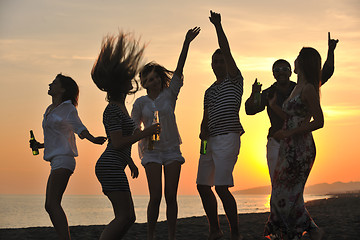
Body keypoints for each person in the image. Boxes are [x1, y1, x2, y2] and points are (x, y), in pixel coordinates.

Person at [131, 27, 200, 240]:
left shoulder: (170, 95)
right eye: (148, 79)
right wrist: (147, 132)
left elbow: (178, 70)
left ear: (160, 79)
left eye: (154, 78)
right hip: (150, 150)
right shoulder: (140, 103)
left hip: (171, 148)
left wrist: (186, 43)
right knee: (155, 196)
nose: (152, 82)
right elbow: (134, 130)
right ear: (143, 83)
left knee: (171, 196)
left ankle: (171, 236)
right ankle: (151, 235)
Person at [91, 32, 161, 240]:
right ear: (119, 84)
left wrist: (130, 162)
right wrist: (146, 133)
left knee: (128, 217)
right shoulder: (112, 109)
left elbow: (117, 142)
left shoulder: (121, 106)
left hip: (116, 164)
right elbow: (119, 142)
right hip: (109, 166)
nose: (131, 80)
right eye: (126, 78)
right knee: (124, 216)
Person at [245, 33, 338, 181]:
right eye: (277, 70)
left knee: (293, 185)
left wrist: (331, 51)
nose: (281, 71)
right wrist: (254, 95)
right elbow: (250, 110)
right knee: (277, 186)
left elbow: (326, 73)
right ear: (273, 74)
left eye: (284, 68)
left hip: (297, 141)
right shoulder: (269, 93)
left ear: (291, 71)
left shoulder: (301, 89)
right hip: (276, 142)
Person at [29, 73, 107, 240]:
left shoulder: (68, 108)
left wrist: (93, 139)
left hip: (64, 159)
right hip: (55, 160)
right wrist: (39, 145)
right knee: (50, 205)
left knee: (52, 204)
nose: (50, 84)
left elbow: (80, 128)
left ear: (63, 89)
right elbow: (57, 136)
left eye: (54, 83)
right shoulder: (49, 110)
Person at [264, 47, 325, 239]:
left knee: (288, 194)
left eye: (298, 58)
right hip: (287, 147)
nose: (295, 60)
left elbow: (319, 121)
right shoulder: (297, 88)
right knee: (282, 192)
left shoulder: (308, 89)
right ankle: (309, 230)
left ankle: (294, 232)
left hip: (301, 149)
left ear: (305, 63)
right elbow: (290, 117)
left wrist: (290, 132)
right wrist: (274, 106)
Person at [196, 11, 244, 240]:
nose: (218, 63)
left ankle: (235, 233)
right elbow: (205, 118)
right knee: (202, 185)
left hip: (228, 137)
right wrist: (202, 139)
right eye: (215, 61)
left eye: (221, 60)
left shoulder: (235, 80)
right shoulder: (208, 91)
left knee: (222, 187)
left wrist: (218, 26)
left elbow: (226, 49)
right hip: (208, 141)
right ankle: (215, 229)